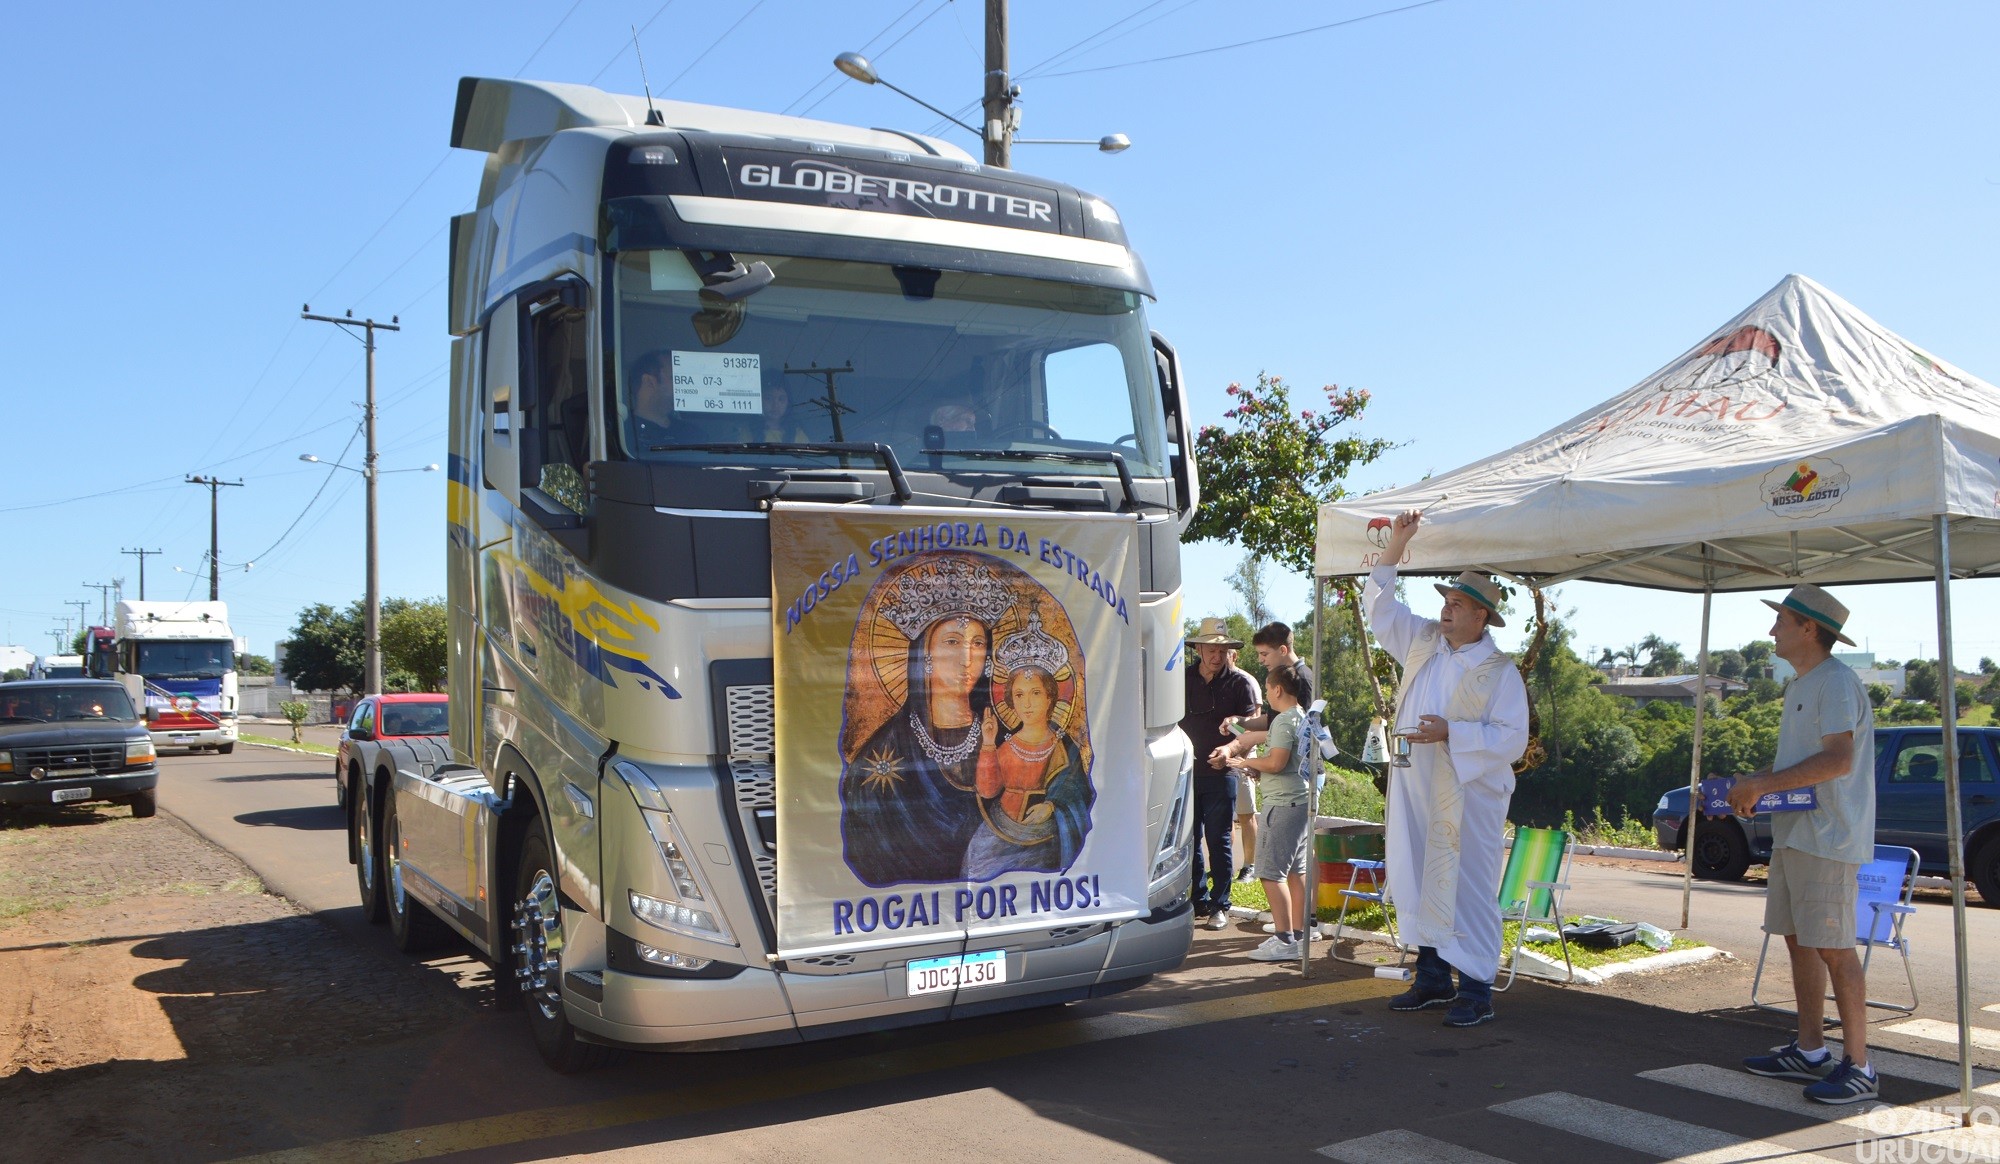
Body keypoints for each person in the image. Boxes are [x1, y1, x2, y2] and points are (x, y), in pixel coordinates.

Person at [1367, 511, 1529, 1028]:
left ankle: (1477, 990)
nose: (1445, 608)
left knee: (1469, 886)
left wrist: (1452, 733)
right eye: (1446, 600)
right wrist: (1398, 542)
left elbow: (1512, 738)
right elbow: (1379, 608)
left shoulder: (1500, 673)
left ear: (1481, 616)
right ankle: (1433, 978)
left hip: (1469, 798)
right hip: (1415, 789)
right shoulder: (1422, 643)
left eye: (1457, 604)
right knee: (1418, 875)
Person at [1733, 584, 1879, 1104]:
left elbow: (1838, 760)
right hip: (1798, 834)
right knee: (1799, 939)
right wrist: (1752, 784)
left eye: (1782, 621)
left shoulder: (1835, 682)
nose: (1772, 630)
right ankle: (1811, 1050)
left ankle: (1860, 1067)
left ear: (1809, 629)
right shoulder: (1805, 683)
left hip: (1827, 837)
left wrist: (1762, 785)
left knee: (1835, 948)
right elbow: (1801, 764)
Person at [840, 557, 1012, 886]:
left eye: (977, 644)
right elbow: (869, 849)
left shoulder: (1007, 740)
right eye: (952, 642)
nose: (966, 659)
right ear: (925, 653)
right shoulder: (881, 756)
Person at [962, 616, 1095, 879]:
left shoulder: (1064, 747)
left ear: (1050, 697)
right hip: (1000, 834)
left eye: (1035, 693)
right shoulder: (1007, 746)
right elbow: (987, 790)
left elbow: (1080, 792)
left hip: (1047, 839)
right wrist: (988, 743)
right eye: (1019, 695)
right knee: (976, 869)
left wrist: (1052, 807)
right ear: (1010, 700)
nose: (1027, 704)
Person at [1213, 621, 1319, 885]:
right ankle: (1300, 911)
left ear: (1282, 650)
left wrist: (1246, 747)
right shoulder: (1286, 680)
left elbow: (1293, 732)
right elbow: (1273, 722)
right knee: (1294, 864)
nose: (1260, 660)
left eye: (1264, 654)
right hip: (1287, 778)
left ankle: (1305, 909)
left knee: (1283, 867)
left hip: (1295, 783)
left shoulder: (1302, 679)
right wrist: (1242, 722)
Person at [1226, 663, 1316, 963]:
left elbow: (1276, 762)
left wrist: (1246, 763)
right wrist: (1257, 766)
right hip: (1300, 802)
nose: (1266, 694)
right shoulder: (1302, 716)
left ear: (1277, 689)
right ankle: (1297, 935)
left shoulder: (1284, 721)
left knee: (1269, 873)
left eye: (1267, 689)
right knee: (1296, 871)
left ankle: (1284, 939)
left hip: (1282, 804)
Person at [1181, 618, 1261, 931]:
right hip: (1185, 772)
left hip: (1222, 772)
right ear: (1198, 649)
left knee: (1219, 839)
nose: (1217, 655)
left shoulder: (1240, 684)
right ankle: (1198, 899)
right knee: (1188, 841)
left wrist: (1230, 749)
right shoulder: (1182, 679)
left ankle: (1220, 904)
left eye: (1223, 650)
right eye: (1212, 649)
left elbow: (1251, 730)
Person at [627, 349, 678, 450]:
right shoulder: (623, 436)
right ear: (649, 382)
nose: (682, 385)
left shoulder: (694, 435)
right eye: (674, 378)